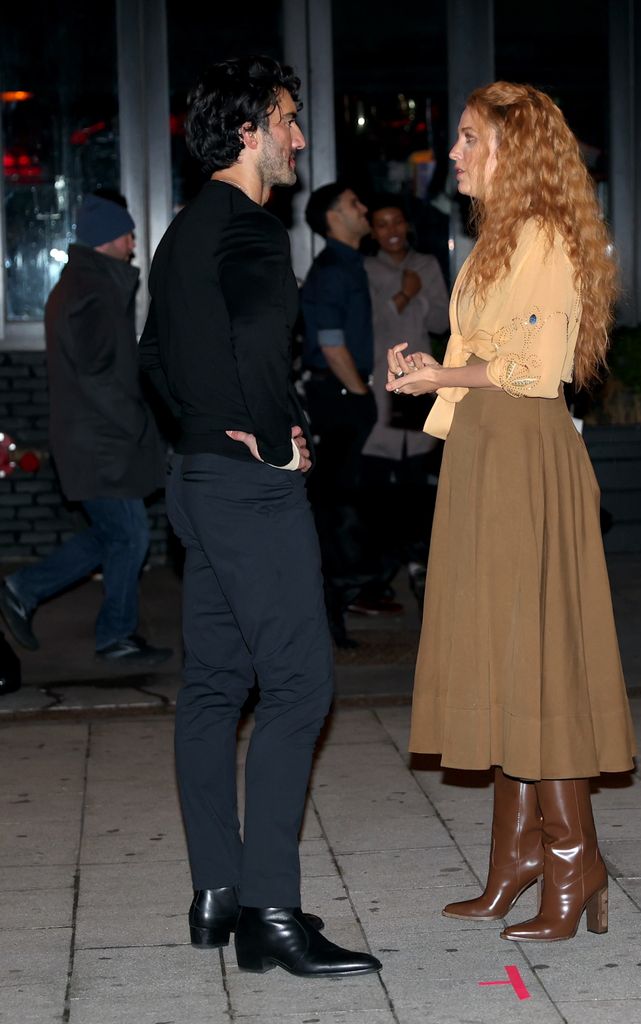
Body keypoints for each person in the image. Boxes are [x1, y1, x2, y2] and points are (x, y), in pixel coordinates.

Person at [138, 56, 380, 978]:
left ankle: (216, 894)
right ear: (246, 130)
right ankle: (272, 915)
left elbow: (155, 358)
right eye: (287, 120)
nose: (299, 139)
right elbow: (252, 347)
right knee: (298, 688)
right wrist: (279, 438)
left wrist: (208, 430)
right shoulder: (248, 230)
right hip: (247, 489)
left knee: (210, 689)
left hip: (196, 481)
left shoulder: (182, 232)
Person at [386, 82, 636, 942]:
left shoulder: (544, 238)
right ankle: (515, 858)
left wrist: (435, 377)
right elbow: (487, 352)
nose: (451, 153)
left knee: (537, 658)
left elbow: (535, 371)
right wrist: (432, 368)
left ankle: (573, 863)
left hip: (524, 453)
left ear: (511, 151)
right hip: (486, 454)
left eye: (465, 139)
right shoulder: (495, 238)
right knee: (500, 655)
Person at [0, 193, 170, 666]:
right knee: (129, 537)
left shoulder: (86, 283)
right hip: (102, 441)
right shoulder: (94, 289)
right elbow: (98, 374)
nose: (135, 243)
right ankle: (110, 632)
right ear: (110, 238)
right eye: (129, 233)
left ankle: (25, 590)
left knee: (115, 535)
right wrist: (136, 423)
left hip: (95, 438)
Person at [301, 184, 396, 644]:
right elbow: (330, 343)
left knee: (353, 504)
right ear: (333, 218)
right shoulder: (332, 271)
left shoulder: (351, 265)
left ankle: (351, 594)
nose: (365, 209)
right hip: (340, 400)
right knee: (338, 509)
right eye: (355, 204)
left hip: (347, 393)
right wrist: (360, 396)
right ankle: (331, 608)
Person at [362, 198, 449, 607]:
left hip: (421, 380)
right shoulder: (367, 268)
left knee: (416, 474)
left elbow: (442, 324)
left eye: (396, 221)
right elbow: (374, 322)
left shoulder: (428, 264)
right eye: (381, 223)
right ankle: (377, 569)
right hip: (382, 383)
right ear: (372, 231)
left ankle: (419, 561)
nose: (391, 229)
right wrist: (404, 294)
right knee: (379, 478)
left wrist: (419, 297)